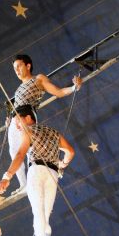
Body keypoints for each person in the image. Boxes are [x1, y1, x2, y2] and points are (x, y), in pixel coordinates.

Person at [0, 104, 75, 236]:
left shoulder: (29, 131)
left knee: (38, 212)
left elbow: (20, 155)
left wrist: (7, 177)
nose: (17, 126)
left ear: (28, 117)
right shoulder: (54, 132)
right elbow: (70, 152)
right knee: (45, 214)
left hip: (37, 171)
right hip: (53, 174)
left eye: (18, 121)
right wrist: (62, 165)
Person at [8, 54, 82, 194]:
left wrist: (74, 88)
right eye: (14, 68)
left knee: (28, 149)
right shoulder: (17, 90)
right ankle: (23, 184)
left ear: (28, 66)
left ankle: (37, 176)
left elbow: (58, 92)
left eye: (19, 66)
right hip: (15, 120)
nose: (16, 70)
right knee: (13, 152)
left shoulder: (38, 79)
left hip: (26, 118)